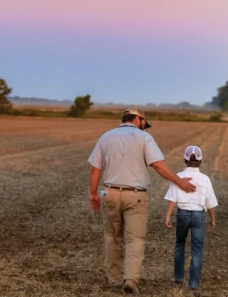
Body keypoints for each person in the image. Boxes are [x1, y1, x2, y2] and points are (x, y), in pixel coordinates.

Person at [88, 107, 197, 295]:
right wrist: (179, 182)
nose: (144, 127)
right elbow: (158, 165)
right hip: (136, 196)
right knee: (135, 239)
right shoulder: (144, 138)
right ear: (138, 120)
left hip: (111, 194)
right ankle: (131, 279)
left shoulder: (106, 137)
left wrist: (93, 194)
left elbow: (94, 169)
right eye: (143, 123)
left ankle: (114, 279)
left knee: (112, 238)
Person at [164, 145, 218, 293]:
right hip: (198, 215)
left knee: (179, 244)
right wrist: (212, 218)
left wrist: (168, 215)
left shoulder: (179, 176)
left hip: (182, 214)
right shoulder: (205, 179)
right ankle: (194, 284)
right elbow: (210, 201)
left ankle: (178, 277)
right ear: (200, 160)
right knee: (197, 249)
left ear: (184, 159)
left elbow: (172, 198)